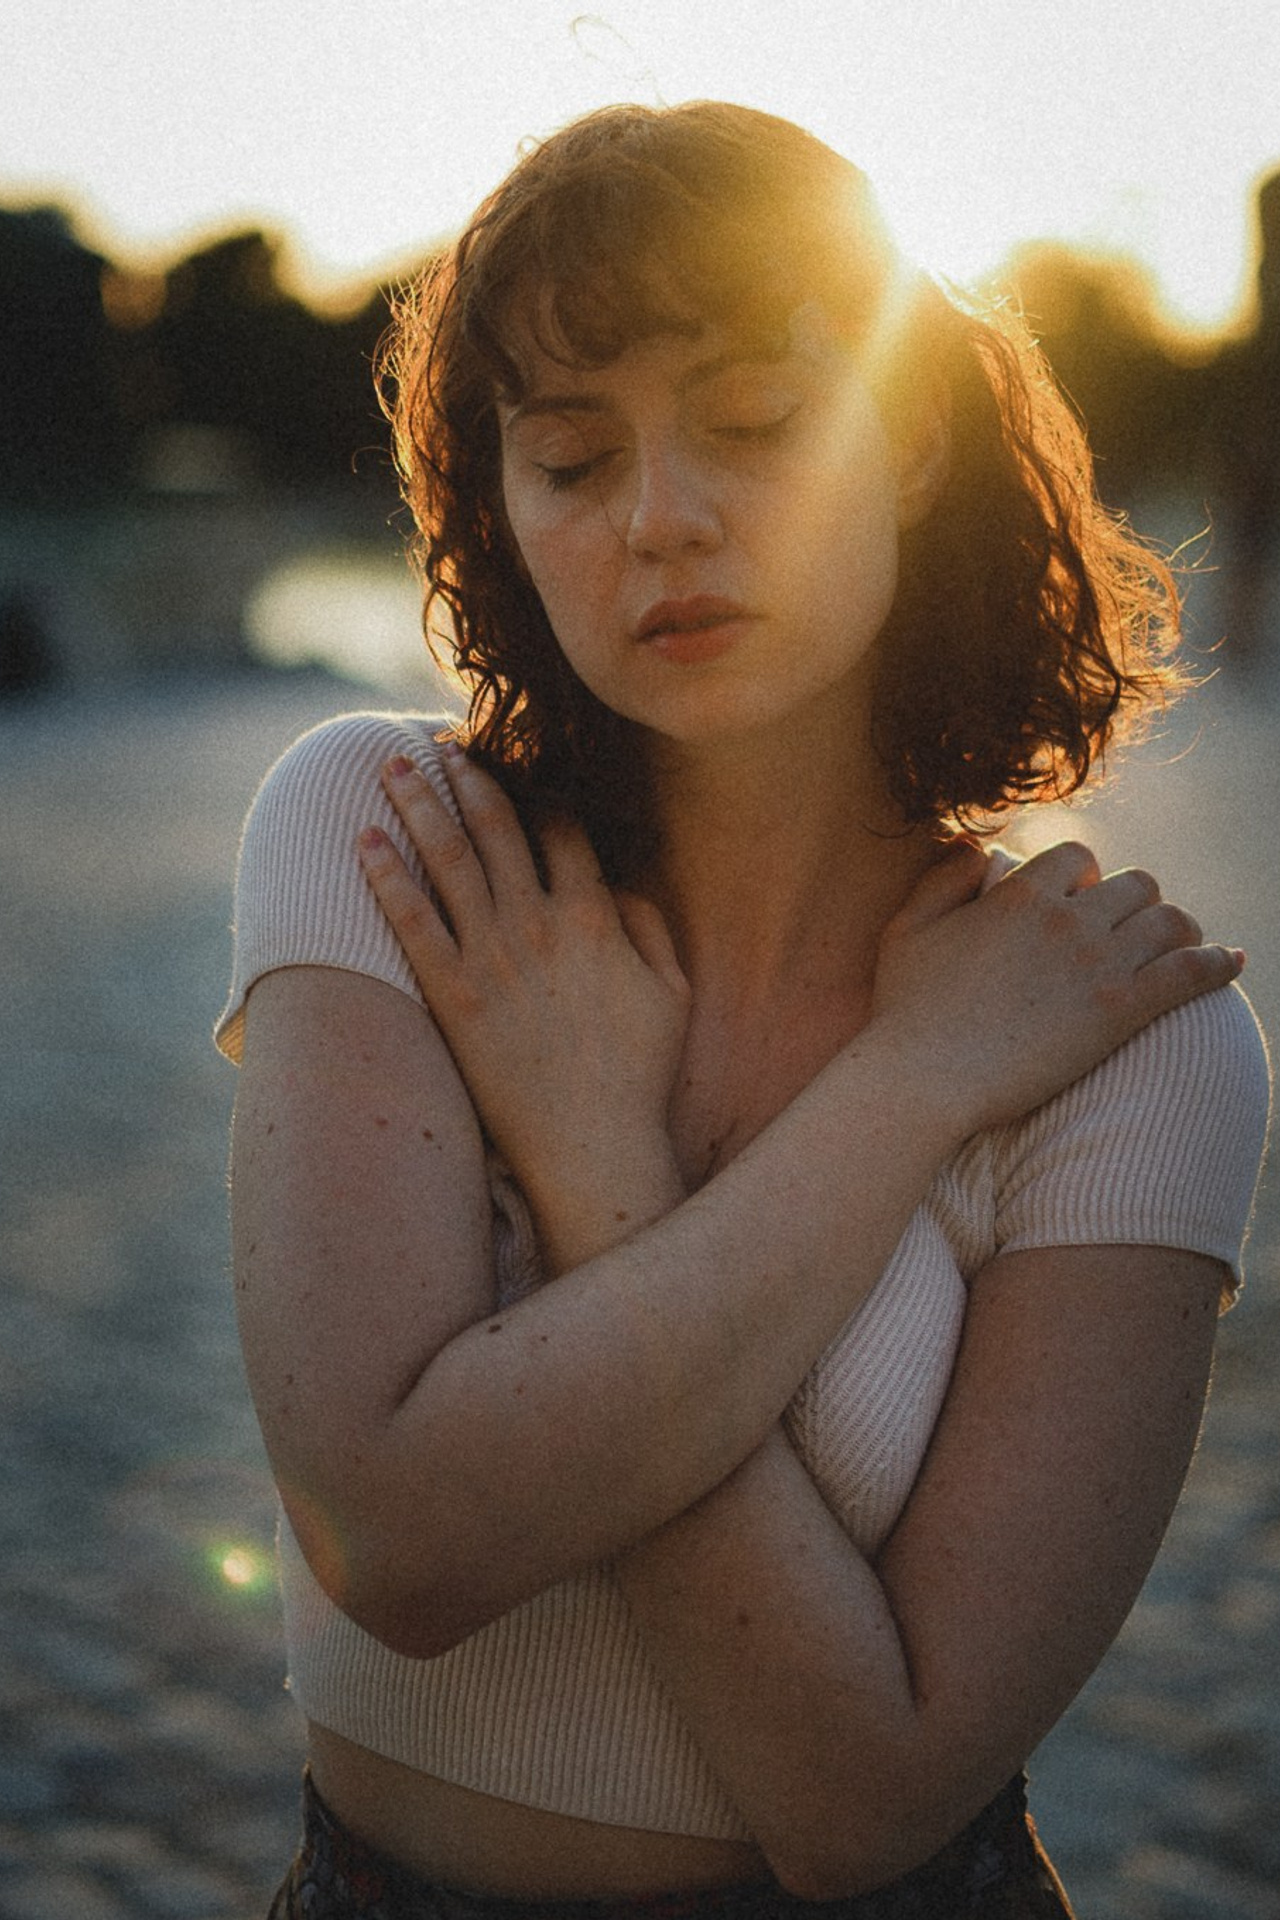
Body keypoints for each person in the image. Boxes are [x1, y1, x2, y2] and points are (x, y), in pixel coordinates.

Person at [217, 102, 1270, 1918]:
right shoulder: (386, 844)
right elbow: (396, 1539)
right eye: (570, 458)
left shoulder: (1132, 1036)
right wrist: (891, 1095)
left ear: (913, 433)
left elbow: (862, 1803)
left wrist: (617, 1153)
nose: (664, 520)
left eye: (756, 426)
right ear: (502, 505)